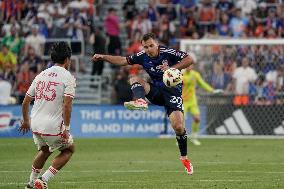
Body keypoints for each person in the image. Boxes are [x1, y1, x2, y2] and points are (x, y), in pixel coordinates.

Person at [92, 33, 195, 175]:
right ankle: (141, 101)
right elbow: (123, 60)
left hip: (173, 94)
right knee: (134, 78)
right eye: (145, 47)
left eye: (151, 46)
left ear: (156, 44)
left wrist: (174, 68)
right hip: (156, 92)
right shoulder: (142, 56)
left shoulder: (167, 52)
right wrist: (104, 57)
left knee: (178, 127)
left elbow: (190, 59)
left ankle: (184, 158)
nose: (149, 49)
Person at [19, 42, 76, 189]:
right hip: (52, 125)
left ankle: (31, 183)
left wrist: (26, 121)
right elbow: (67, 105)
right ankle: (43, 179)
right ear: (67, 59)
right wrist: (67, 128)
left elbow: (25, 102)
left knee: (44, 150)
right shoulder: (68, 77)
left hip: (35, 124)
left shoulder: (41, 75)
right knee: (69, 149)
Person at [182, 67, 223, 146]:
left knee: (197, 119)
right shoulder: (180, 74)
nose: (189, 67)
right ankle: (180, 138)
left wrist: (212, 90)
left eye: (191, 65)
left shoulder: (195, 74)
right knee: (181, 121)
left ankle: (194, 137)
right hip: (182, 100)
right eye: (188, 65)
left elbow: (202, 83)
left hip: (192, 100)